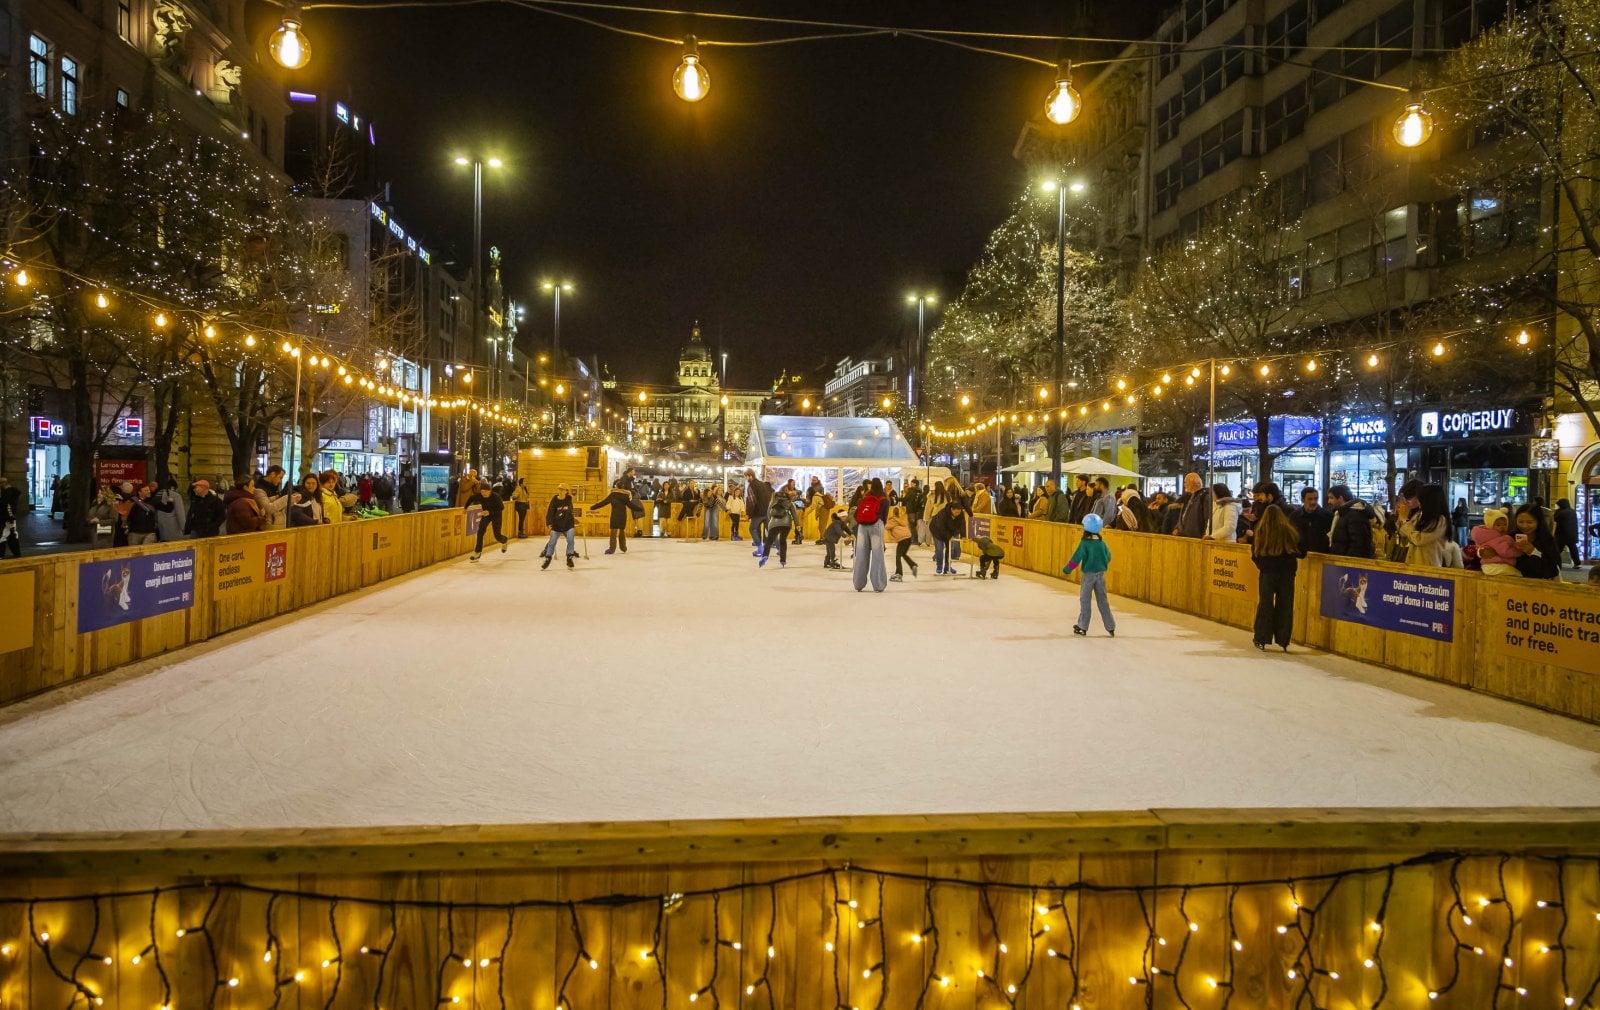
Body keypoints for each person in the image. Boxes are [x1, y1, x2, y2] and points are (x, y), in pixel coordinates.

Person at [1250, 496, 1300, 653]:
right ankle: (1283, 638)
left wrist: (1262, 566)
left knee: (1265, 603)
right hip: (1286, 573)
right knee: (1285, 603)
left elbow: (1255, 553)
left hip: (1267, 572)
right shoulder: (1289, 531)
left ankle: (1261, 637)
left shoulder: (1261, 531)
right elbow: (1295, 551)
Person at [1063, 513, 1115, 637]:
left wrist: (1067, 569)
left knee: (1085, 600)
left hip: (1089, 575)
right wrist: (1101, 565)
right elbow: (1108, 556)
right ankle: (1110, 626)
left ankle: (1083, 626)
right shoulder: (1102, 543)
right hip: (1100, 575)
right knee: (1103, 601)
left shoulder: (1085, 543)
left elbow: (1076, 558)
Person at [1397, 484, 1454, 567]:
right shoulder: (1419, 515)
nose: (1419, 502)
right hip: (1413, 564)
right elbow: (1403, 532)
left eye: (1421, 499)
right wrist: (1402, 516)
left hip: (1428, 567)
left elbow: (1419, 540)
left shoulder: (1441, 521)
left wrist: (1405, 520)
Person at [851, 477, 889, 593]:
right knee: (878, 556)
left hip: (862, 527)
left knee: (861, 555)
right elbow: (885, 516)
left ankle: (858, 583)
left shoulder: (865, 497)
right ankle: (878, 585)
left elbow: (856, 513)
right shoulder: (884, 499)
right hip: (876, 526)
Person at [1326, 485, 1376, 559]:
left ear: (1340, 498)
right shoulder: (1343, 513)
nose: (1329, 501)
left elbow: (1359, 545)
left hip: (1349, 565)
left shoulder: (1355, 514)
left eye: (1331, 498)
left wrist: (1349, 564)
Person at [1513, 504, 1561, 580]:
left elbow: (1553, 570)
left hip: (1539, 586)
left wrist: (1533, 552)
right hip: (1513, 584)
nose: (1524, 526)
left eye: (1529, 522)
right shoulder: (1511, 537)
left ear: (1539, 521)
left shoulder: (1546, 540)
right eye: (1520, 522)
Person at [1472, 508, 1523, 577]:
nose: (1502, 527)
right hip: (1498, 566)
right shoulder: (1500, 538)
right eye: (1498, 525)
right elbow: (1504, 551)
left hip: (1486, 566)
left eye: (1504, 524)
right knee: (1519, 575)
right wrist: (1518, 552)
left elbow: (1478, 546)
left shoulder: (1485, 536)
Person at [588, 480, 634, 555]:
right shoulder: (626, 495)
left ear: (616, 487)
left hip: (615, 515)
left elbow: (604, 502)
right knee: (622, 532)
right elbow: (631, 504)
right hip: (623, 515)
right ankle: (623, 547)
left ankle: (612, 549)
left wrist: (593, 507)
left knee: (613, 533)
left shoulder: (613, 494)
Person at [466, 482, 509, 560]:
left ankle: (504, 540)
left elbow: (501, 508)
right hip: (486, 515)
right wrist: (465, 508)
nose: (484, 493)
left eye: (486, 491)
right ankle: (477, 552)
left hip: (496, 515)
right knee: (480, 532)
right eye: (482, 492)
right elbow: (471, 498)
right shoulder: (480, 496)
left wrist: (490, 512)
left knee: (497, 535)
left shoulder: (496, 497)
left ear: (490, 491)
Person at [758, 485, 799, 567]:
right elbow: (794, 514)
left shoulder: (774, 500)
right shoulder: (789, 502)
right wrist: (797, 524)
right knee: (783, 541)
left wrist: (773, 519)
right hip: (786, 523)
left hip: (774, 523)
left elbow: (769, 512)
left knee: (769, 541)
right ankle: (783, 561)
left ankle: (765, 556)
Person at [540, 484, 578, 569]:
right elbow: (550, 511)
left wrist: (560, 513)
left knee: (570, 540)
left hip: (568, 524)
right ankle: (548, 558)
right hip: (556, 525)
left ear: (566, 491)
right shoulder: (554, 499)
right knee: (552, 542)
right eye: (559, 489)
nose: (560, 491)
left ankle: (569, 558)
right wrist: (549, 522)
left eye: (562, 489)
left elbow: (569, 510)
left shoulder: (569, 498)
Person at [928, 497, 967, 576]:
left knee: (950, 549)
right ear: (952, 509)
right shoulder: (943, 514)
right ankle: (939, 566)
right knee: (939, 549)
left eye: (959, 512)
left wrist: (963, 535)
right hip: (937, 531)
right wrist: (949, 536)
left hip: (951, 531)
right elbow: (941, 527)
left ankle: (947, 566)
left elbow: (962, 524)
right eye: (956, 512)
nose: (957, 514)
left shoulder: (961, 513)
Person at [1289, 487, 1332, 556]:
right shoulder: (1294, 516)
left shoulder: (1327, 516)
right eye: (1310, 499)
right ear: (1302, 500)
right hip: (1300, 556)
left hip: (1321, 556)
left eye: (1316, 498)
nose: (1313, 502)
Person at [885, 501, 918, 581]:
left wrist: (888, 520)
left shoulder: (892, 520)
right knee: (903, 554)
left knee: (898, 556)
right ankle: (912, 565)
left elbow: (886, 527)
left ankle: (899, 574)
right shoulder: (902, 519)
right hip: (909, 538)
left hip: (902, 539)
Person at [1175, 473, 1213, 538]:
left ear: (1194, 483)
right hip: (1185, 536)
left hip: (1196, 537)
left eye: (1185, 482)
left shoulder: (1204, 497)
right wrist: (1178, 527)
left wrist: (1205, 534)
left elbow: (1207, 518)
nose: (1184, 485)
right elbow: (1184, 515)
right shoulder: (1189, 497)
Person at [744, 470, 773, 554]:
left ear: (750, 476)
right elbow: (768, 496)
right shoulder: (762, 484)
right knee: (769, 529)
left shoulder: (751, 485)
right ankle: (779, 548)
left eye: (746, 476)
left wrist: (748, 513)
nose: (746, 478)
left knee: (752, 529)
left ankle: (760, 549)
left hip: (757, 512)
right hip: (765, 511)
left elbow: (751, 501)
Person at [1554, 498, 1582, 569]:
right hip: (1572, 534)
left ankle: (1554, 562)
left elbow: (1556, 519)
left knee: (1557, 550)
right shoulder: (1572, 511)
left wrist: (1556, 511)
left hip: (1562, 534)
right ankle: (1577, 563)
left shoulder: (1561, 512)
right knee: (1573, 549)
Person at [0, 476, 21, 558]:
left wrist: (9, 517)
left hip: (6, 518)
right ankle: (16, 553)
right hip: (9, 518)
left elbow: (6, 506)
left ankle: (1, 554)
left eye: (1, 482)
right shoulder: (11, 492)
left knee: (4, 536)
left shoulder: (7, 493)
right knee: (11, 536)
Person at [903, 478, 926, 544]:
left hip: (911, 511)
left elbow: (905, 499)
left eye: (911, 483)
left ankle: (914, 540)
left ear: (915, 484)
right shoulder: (920, 491)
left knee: (912, 526)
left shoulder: (911, 491)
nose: (910, 484)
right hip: (917, 511)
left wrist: (897, 499)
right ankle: (916, 539)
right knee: (915, 526)